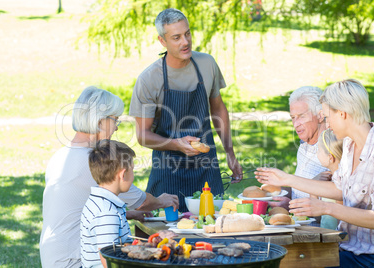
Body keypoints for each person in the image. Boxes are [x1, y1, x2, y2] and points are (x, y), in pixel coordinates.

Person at [256, 79, 374, 267]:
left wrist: (326, 208)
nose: (326, 125)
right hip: (348, 249)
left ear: (343, 114)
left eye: (327, 117)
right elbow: (338, 188)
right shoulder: (349, 144)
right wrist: (287, 179)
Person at [40, 86, 179, 268]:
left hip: (53, 256)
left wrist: (126, 214)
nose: (116, 128)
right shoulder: (90, 160)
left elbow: (79, 208)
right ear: (99, 123)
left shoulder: (61, 155)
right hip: (74, 260)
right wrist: (162, 201)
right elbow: (141, 201)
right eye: (115, 120)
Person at [129, 8, 242, 212]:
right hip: (168, 171)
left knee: (213, 233)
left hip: (207, 168)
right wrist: (176, 144)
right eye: (176, 37)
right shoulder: (149, 79)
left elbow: (218, 109)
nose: (185, 42)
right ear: (162, 41)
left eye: (187, 33)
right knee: (168, 237)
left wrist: (230, 152)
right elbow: (142, 136)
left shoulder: (207, 64)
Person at [269, 86, 329, 213]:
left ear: (320, 115)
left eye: (301, 116)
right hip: (298, 225)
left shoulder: (333, 149)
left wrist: (291, 206)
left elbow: (334, 209)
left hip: (321, 229)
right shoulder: (304, 145)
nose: (296, 124)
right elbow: (301, 189)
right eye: (293, 118)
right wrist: (278, 193)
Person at [80, 139, 135, 268]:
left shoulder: (98, 201)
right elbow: (107, 259)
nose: (133, 175)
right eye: (132, 170)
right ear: (123, 174)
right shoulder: (106, 212)